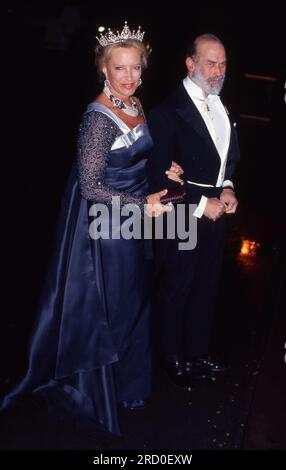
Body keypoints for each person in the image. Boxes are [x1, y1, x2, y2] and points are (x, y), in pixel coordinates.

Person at [0, 22, 177, 435]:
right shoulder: (97, 118)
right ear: (104, 69)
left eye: (136, 68)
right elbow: (91, 185)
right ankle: (93, 389)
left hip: (134, 222)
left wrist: (164, 170)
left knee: (135, 301)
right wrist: (141, 203)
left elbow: (136, 158)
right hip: (109, 226)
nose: (130, 77)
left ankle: (127, 384)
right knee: (111, 307)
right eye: (121, 69)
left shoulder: (134, 103)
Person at [147, 33, 240, 388]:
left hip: (216, 212)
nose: (218, 71)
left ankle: (198, 351)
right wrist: (202, 204)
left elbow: (227, 158)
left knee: (207, 285)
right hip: (182, 213)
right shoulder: (167, 112)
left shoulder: (222, 104)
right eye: (210, 63)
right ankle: (170, 356)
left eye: (223, 64)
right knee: (177, 285)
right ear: (190, 64)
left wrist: (229, 186)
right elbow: (156, 176)